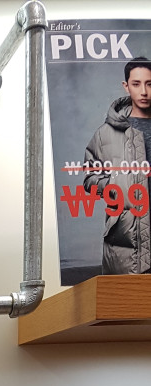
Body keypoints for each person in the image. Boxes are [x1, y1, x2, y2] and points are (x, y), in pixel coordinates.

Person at [83, 56, 151, 275]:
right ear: (126, 86)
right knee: (127, 297)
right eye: (136, 84)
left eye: (149, 84)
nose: (144, 92)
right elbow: (90, 178)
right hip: (126, 241)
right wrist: (115, 185)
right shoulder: (106, 133)